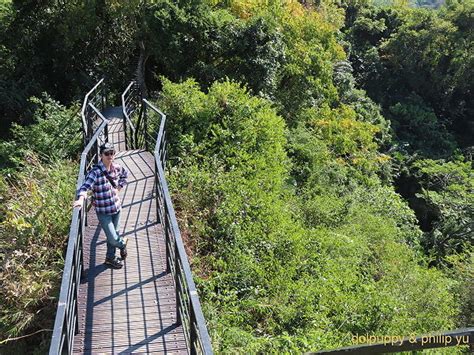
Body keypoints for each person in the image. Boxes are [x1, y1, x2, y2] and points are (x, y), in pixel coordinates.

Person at [73, 142, 129, 269]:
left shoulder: (117, 168)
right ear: (101, 155)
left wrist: (119, 187)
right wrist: (81, 199)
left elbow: (125, 175)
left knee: (114, 234)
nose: (110, 156)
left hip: (116, 208)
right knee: (113, 237)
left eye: (112, 153)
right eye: (106, 154)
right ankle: (123, 244)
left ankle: (110, 258)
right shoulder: (95, 172)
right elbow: (85, 186)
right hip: (103, 211)